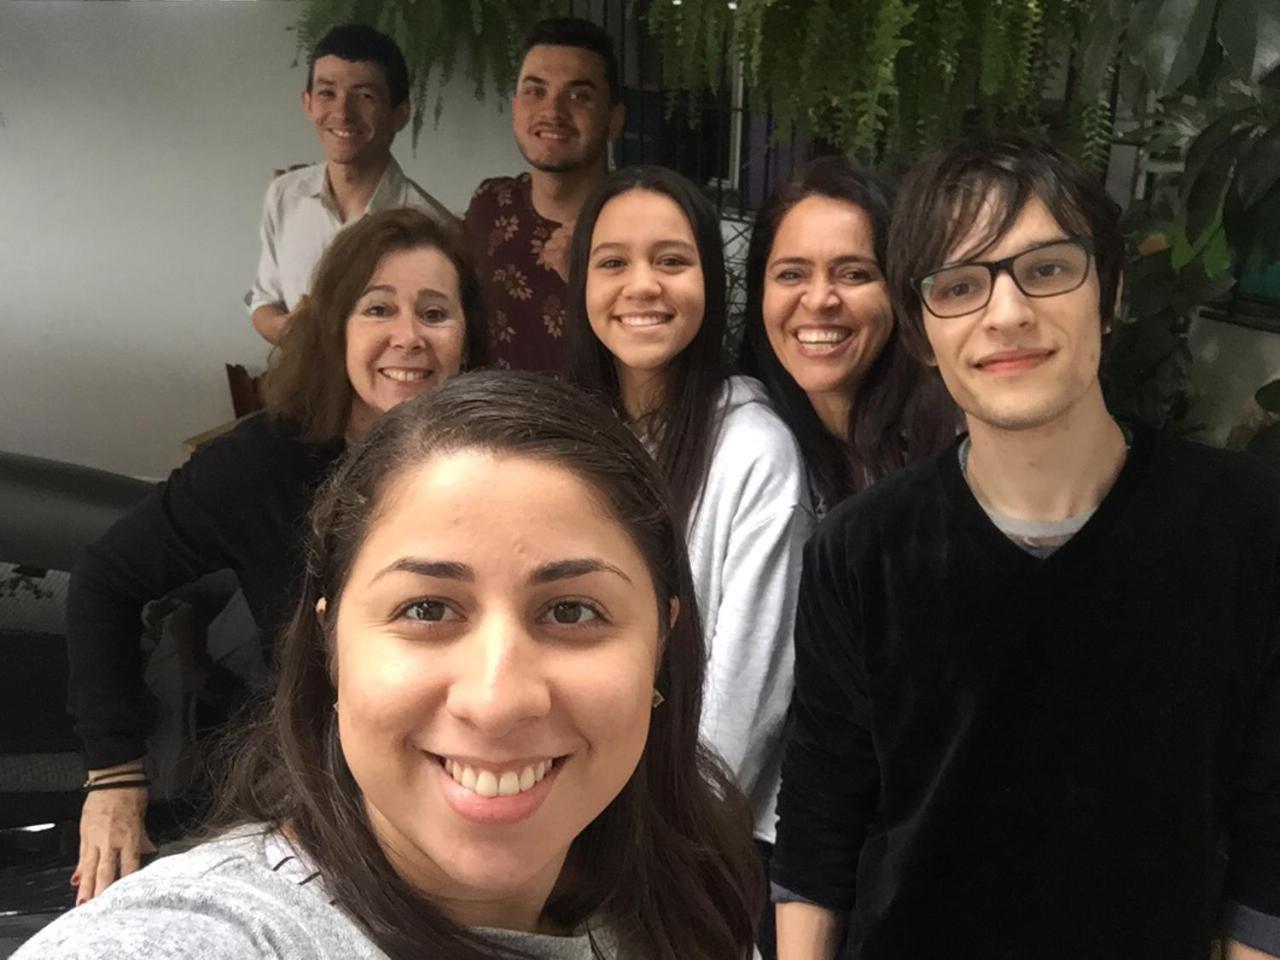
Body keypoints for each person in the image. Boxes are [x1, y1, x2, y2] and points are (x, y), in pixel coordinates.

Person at [21, 372, 763, 960]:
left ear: (661, 643)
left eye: (571, 611)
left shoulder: (689, 897)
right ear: (329, 647)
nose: (497, 699)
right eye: (427, 610)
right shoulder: (217, 934)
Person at [772, 138, 1280, 960]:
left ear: (1109, 290)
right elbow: (822, 819)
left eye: (1046, 270)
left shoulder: (1244, 525)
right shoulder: (861, 550)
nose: (1006, 314)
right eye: (961, 285)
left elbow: (1269, 827)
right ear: (920, 329)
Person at [68, 208, 489, 904]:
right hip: (320, 826)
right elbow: (104, 580)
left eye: (435, 312)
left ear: (467, 338)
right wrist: (113, 775)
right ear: (336, 329)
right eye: (378, 308)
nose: (408, 337)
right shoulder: (262, 465)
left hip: (464, 796)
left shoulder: (493, 465)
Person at [564, 166, 813, 900]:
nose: (643, 285)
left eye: (672, 260)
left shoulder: (753, 450)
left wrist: (639, 850)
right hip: (569, 815)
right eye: (613, 262)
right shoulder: (569, 436)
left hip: (689, 847)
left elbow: (747, 702)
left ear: (712, 282)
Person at [738, 157, 955, 513]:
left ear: (899, 292)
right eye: (792, 274)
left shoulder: (955, 447)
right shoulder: (751, 440)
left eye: (854, 274)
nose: (820, 299)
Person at [247, 24, 454, 345]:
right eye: (327, 93)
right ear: (308, 103)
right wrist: (291, 332)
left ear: (400, 114)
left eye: (365, 96)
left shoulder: (430, 226)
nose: (343, 113)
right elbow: (262, 299)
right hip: (298, 394)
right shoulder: (284, 195)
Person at [464, 17, 624, 372]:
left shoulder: (636, 225)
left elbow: (665, 367)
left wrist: (587, 280)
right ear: (515, 106)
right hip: (488, 423)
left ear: (614, 120)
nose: (552, 112)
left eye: (579, 95)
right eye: (535, 91)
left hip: (597, 425)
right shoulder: (490, 205)